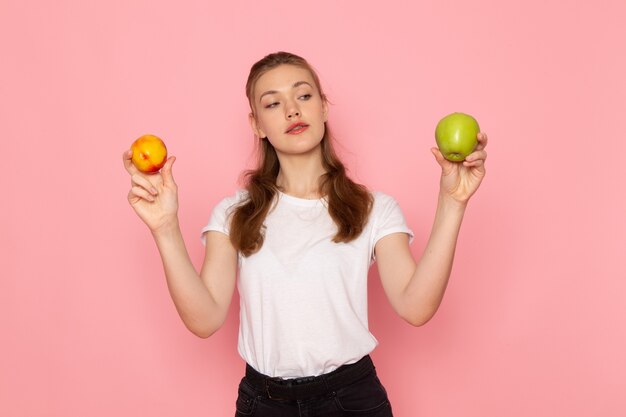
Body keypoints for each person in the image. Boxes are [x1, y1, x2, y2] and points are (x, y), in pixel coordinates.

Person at [123, 51, 488, 417]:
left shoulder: (374, 208)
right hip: (263, 403)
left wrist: (452, 202)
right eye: (273, 103)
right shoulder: (234, 213)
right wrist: (165, 228)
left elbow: (416, 306)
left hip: (352, 400)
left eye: (303, 95)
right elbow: (204, 320)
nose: (292, 111)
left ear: (324, 108)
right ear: (257, 125)